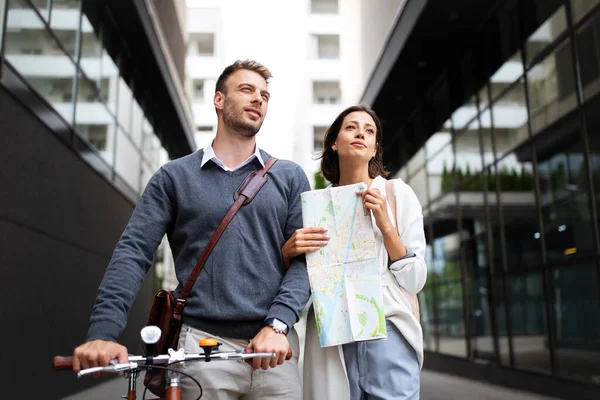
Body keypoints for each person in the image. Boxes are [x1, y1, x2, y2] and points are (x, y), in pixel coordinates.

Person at [72, 60, 311, 399]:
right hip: (201, 349)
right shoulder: (174, 177)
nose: (259, 99)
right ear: (218, 99)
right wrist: (103, 332)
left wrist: (278, 324)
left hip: (274, 350)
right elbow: (133, 252)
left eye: (265, 95)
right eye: (246, 90)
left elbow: (307, 261)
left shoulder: (289, 177)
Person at [283, 105, 427, 400]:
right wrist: (288, 253)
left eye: (369, 130)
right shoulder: (315, 207)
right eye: (351, 127)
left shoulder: (397, 193)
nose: (361, 132)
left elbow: (415, 280)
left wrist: (385, 224)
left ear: (375, 149)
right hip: (333, 331)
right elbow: (301, 283)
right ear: (334, 143)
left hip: (388, 328)